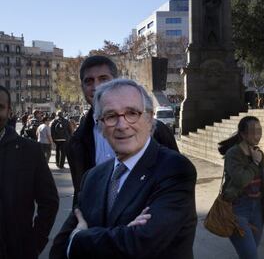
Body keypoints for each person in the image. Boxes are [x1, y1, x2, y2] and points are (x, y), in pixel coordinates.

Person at [50, 79, 197, 259]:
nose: (122, 125)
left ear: (150, 118)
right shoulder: (93, 177)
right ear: (100, 126)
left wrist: (80, 238)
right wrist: (122, 236)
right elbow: (58, 249)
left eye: (132, 113)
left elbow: (141, 245)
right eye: (111, 116)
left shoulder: (175, 169)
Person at [67, 55, 179, 205]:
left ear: (116, 82)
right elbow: (80, 195)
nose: (96, 87)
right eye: (89, 81)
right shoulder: (76, 142)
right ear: (82, 87)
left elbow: (176, 184)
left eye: (103, 79)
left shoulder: (156, 130)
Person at [0, 85, 59, 259]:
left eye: (0, 107)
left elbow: (49, 202)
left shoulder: (30, 151)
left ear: (9, 111)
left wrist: (34, 245)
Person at [218, 116, 264, 259]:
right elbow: (242, 180)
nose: (257, 135)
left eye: (259, 131)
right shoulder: (233, 154)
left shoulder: (258, 153)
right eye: (253, 132)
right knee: (250, 256)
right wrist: (254, 163)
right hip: (237, 210)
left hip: (258, 211)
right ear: (243, 134)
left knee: (250, 253)